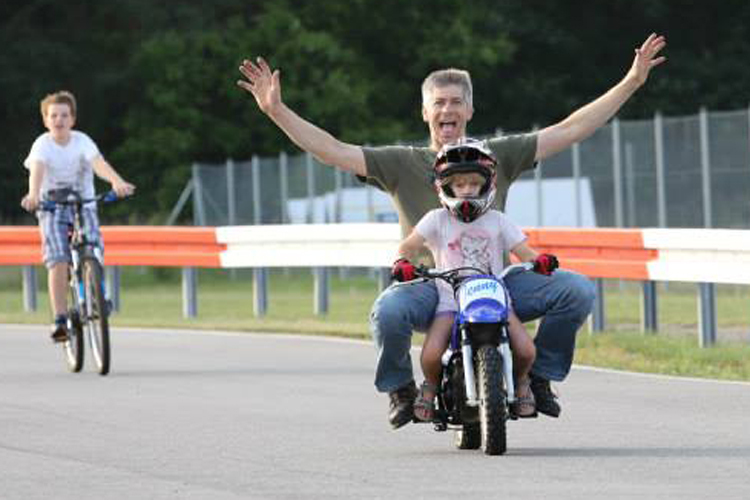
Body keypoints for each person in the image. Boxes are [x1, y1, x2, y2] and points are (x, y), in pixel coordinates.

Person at [237, 33, 666, 428]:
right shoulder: (401, 163)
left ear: (470, 110)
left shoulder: (496, 156)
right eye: (439, 102)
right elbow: (332, 151)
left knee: (576, 290)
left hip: (495, 282)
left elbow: (570, 129)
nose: (448, 110)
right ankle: (402, 390)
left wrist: (631, 81)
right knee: (387, 311)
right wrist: (276, 111)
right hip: (431, 285)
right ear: (425, 111)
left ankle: (537, 378)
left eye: (456, 102)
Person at [392, 140, 560, 420]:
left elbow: (524, 251)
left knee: (527, 350)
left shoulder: (498, 220)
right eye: (459, 185)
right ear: (446, 187)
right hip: (451, 300)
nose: (467, 190)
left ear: (487, 184)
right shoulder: (437, 219)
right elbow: (408, 245)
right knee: (431, 354)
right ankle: (430, 387)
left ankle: (521, 385)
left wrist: (539, 261)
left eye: (473, 183)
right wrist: (402, 262)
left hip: (496, 297)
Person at [20, 90, 135, 342]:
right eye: (53, 116)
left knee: (93, 245)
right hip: (52, 206)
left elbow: (98, 164)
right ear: (46, 120)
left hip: (83, 204)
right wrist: (33, 195)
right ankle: (60, 319)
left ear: (72, 119)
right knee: (58, 259)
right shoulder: (42, 145)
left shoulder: (82, 141)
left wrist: (118, 182)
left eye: (64, 115)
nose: (59, 120)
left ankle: (98, 295)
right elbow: (36, 171)